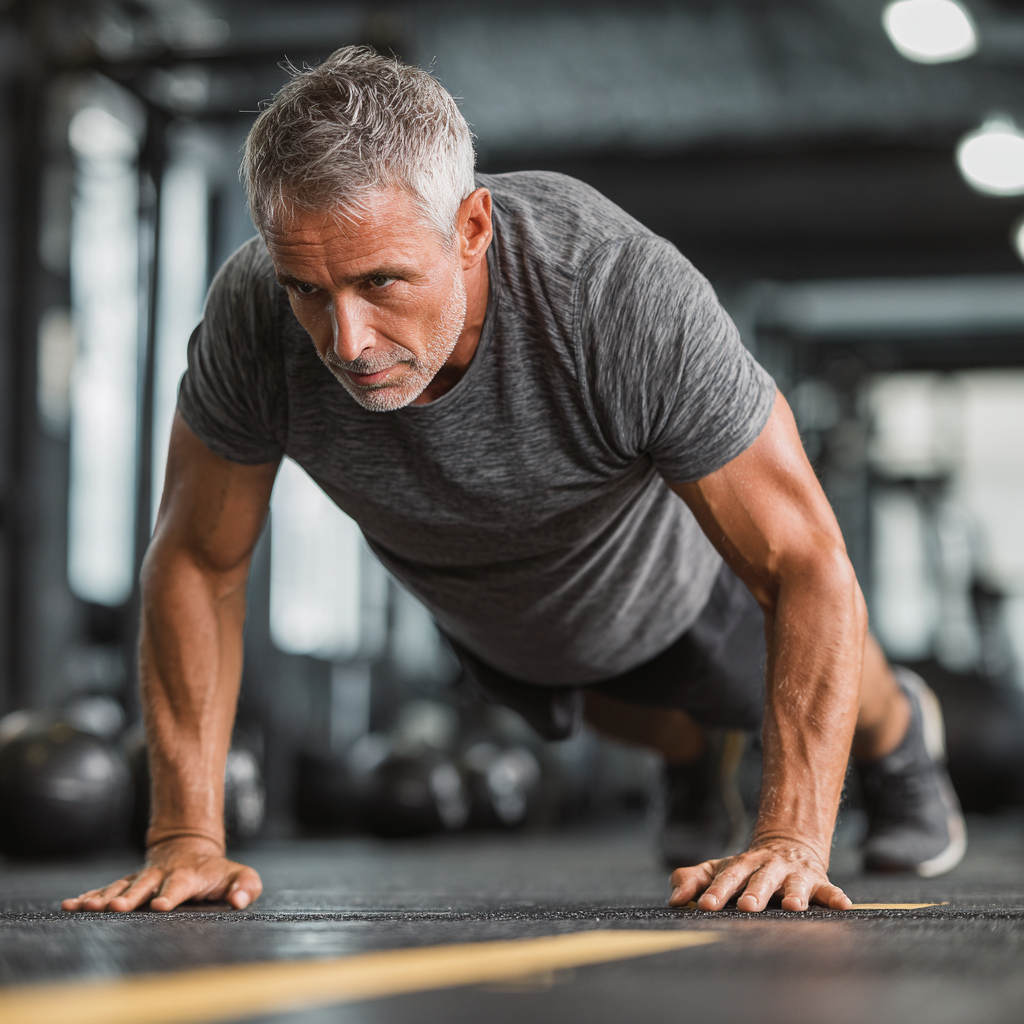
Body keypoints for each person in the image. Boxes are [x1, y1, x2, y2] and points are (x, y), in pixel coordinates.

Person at [62, 47, 964, 917]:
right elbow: (195, 559)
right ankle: (691, 759)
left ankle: (903, 743)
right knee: (623, 710)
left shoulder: (614, 294)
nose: (347, 341)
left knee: (752, 692)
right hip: (494, 617)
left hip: (677, 589)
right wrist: (184, 835)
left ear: (472, 228)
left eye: (383, 281)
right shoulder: (252, 316)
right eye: (307, 288)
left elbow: (807, 562)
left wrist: (793, 841)